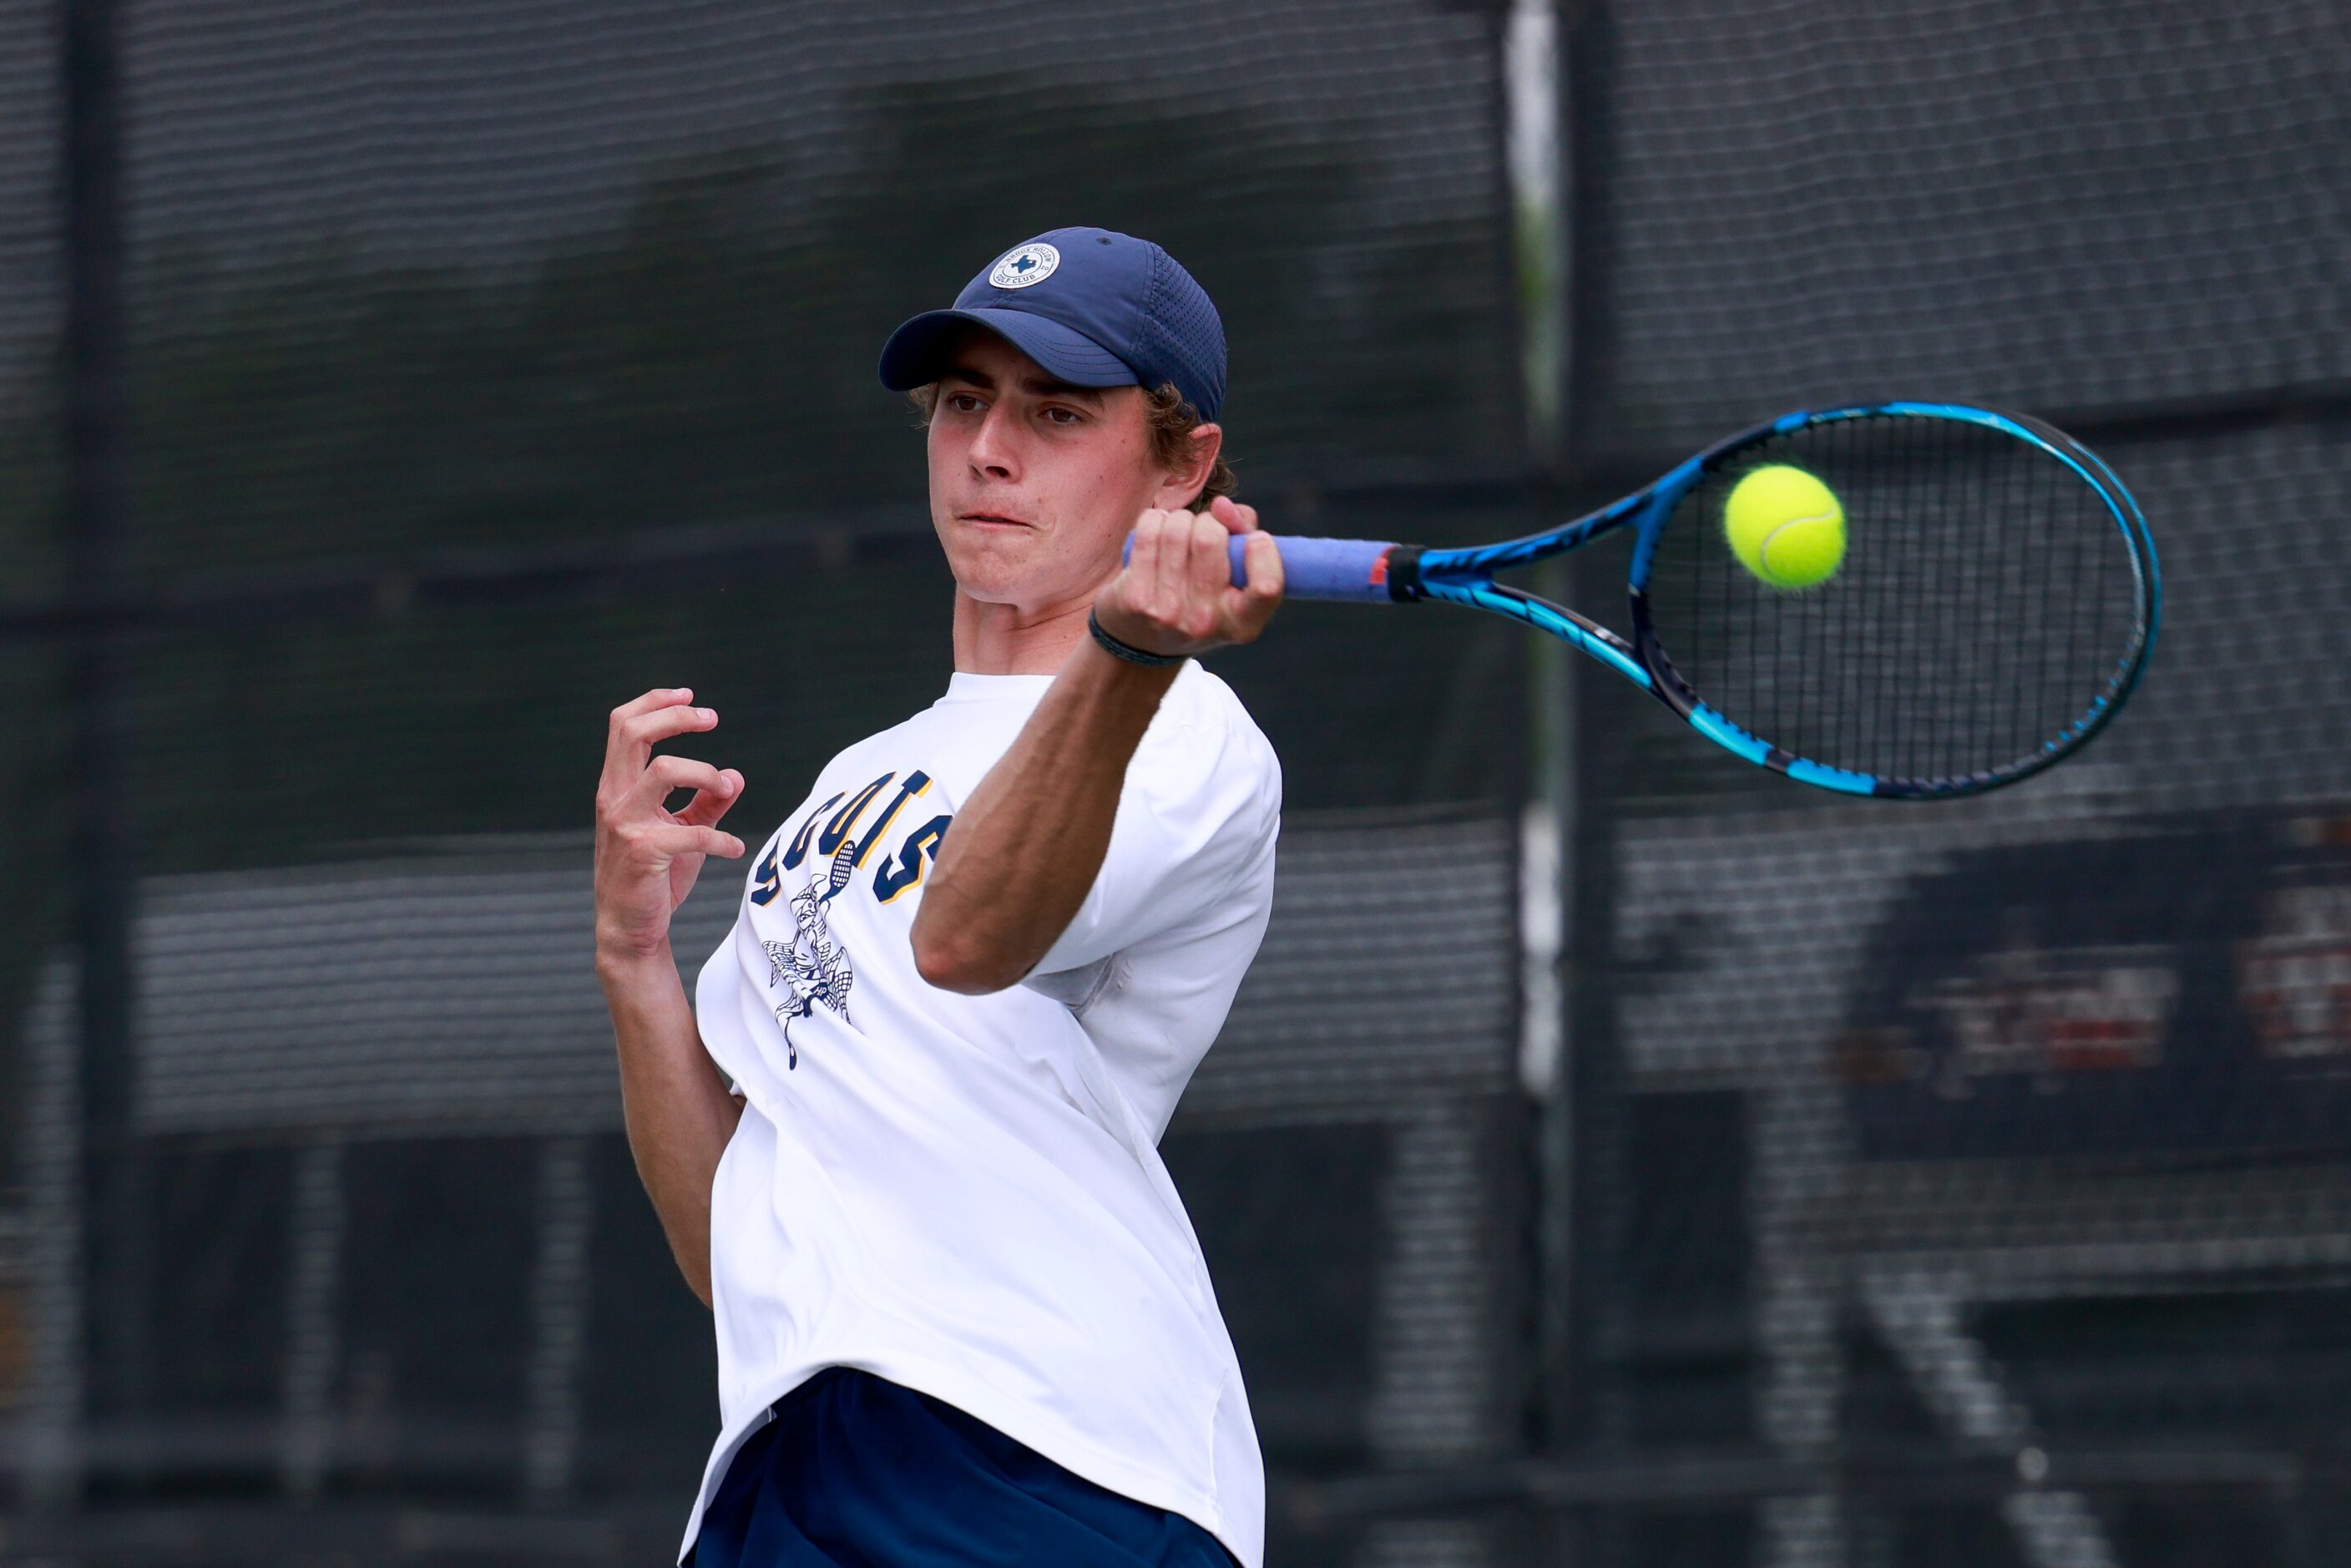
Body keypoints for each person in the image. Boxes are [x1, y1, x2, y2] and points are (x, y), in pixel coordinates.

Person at [592, 227, 1286, 1568]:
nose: (989, 449)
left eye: (1057, 412)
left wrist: (1128, 652)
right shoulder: (857, 779)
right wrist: (633, 960)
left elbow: (966, 937)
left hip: (1049, 1460)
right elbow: (730, 1236)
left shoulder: (1190, 734)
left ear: (1182, 464)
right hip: (788, 1463)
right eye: (964, 401)